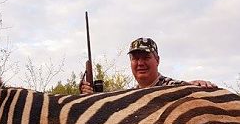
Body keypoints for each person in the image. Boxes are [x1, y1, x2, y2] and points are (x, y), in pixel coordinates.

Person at [80, 37, 216, 94]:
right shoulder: (130, 94)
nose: (140, 63)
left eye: (146, 57)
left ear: (157, 60)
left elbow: (185, 88)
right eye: (135, 58)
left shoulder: (173, 88)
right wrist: (90, 96)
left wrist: (194, 85)